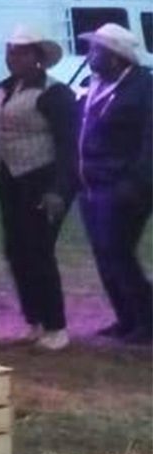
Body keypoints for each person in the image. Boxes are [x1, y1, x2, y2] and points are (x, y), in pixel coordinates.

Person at [0, 26, 77, 350]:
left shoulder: (54, 94)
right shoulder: (5, 89)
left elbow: (68, 145)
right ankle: (34, 320)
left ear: (38, 58)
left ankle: (57, 326)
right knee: (16, 251)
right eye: (10, 51)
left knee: (39, 251)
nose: (13, 58)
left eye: (21, 52)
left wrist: (59, 189)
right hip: (10, 178)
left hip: (42, 178)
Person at [75, 23, 152, 345]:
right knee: (104, 253)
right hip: (90, 182)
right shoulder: (94, 83)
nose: (90, 55)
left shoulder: (142, 88)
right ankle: (125, 318)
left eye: (97, 50)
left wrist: (136, 182)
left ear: (117, 57)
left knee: (118, 251)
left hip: (121, 184)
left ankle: (147, 320)